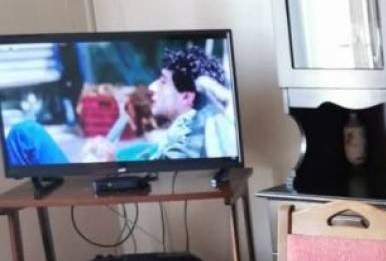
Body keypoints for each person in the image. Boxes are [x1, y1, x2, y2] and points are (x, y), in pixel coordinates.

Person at [3, 44, 236, 167]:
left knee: (25, 133)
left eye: (163, 81)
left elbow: (161, 165)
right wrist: (109, 155)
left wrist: (108, 163)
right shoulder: (178, 133)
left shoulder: (192, 133)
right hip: (93, 174)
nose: (153, 87)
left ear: (186, 97)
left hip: (88, 183)